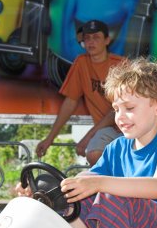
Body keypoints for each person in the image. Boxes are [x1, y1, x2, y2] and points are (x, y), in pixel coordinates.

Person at [59, 57, 157, 228]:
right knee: (81, 196)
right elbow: (89, 180)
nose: (120, 117)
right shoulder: (116, 148)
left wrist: (100, 183)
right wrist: (58, 188)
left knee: (113, 195)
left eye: (129, 108)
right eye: (116, 110)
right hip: (136, 227)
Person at [36, 20, 124, 166]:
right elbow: (70, 101)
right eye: (87, 38)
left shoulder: (120, 64)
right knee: (94, 154)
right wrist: (49, 139)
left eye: (96, 37)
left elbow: (117, 110)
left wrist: (88, 137)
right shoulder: (81, 63)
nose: (91, 42)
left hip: (130, 127)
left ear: (107, 40)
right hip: (107, 130)